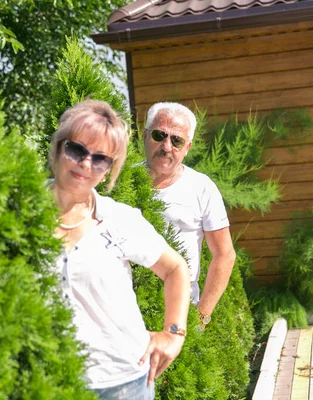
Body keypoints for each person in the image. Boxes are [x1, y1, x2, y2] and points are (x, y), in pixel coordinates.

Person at [48, 99, 190, 399]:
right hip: (48, 383)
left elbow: (176, 268)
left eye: (101, 159)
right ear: (59, 147)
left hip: (124, 383)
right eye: (77, 150)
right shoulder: (18, 215)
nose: (86, 164)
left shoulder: (119, 219)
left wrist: (174, 334)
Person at [143, 102, 236, 332]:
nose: (166, 146)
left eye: (177, 140)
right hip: (125, 309)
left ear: (187, 147)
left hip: (179, 311)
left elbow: (224, 254)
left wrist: (201, 316)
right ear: (145, 136)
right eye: (159, 135)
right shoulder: (123, 181)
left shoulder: (201, 188)